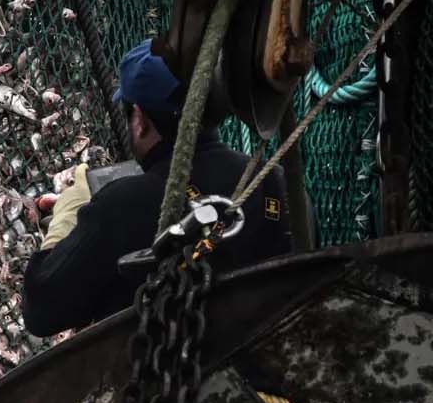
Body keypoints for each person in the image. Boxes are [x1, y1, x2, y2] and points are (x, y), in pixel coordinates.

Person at [21, 39, 293, 338]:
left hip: (172, 376)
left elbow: (40, 312)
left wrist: (66, 214)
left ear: (139, 120)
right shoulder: (278, 183)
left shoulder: (124, 204)